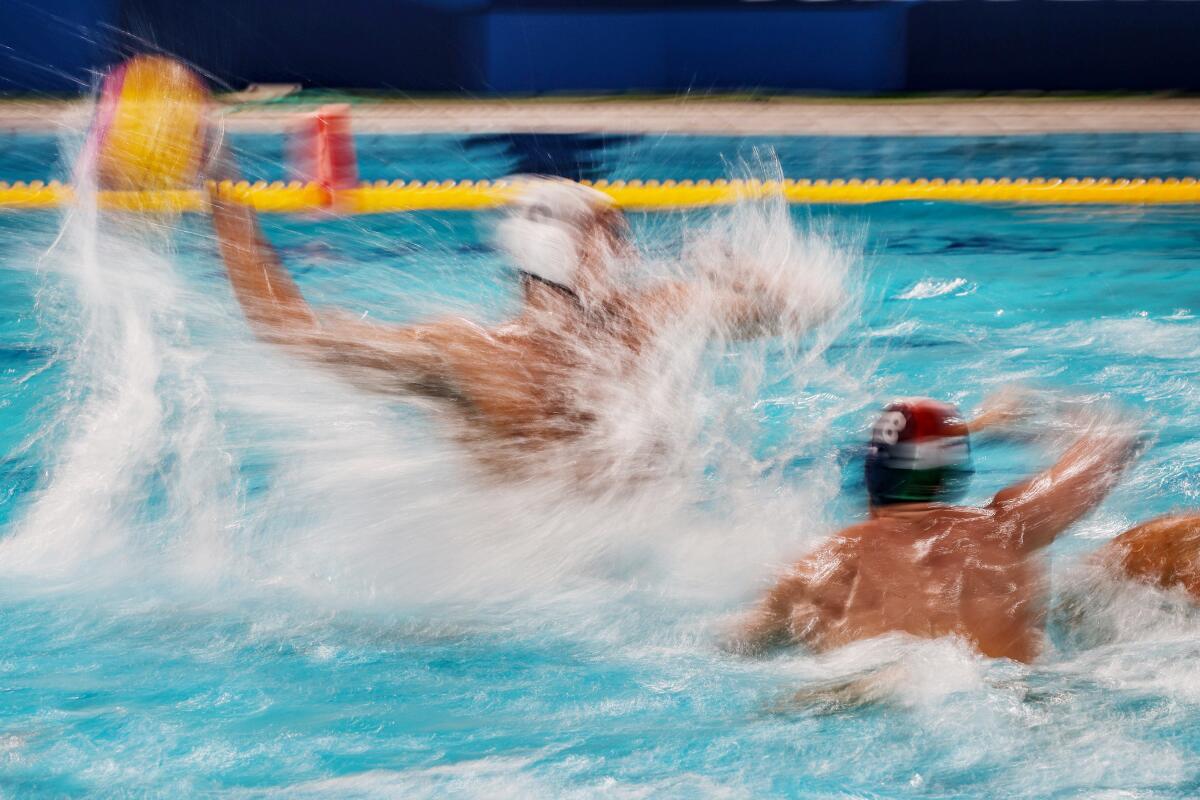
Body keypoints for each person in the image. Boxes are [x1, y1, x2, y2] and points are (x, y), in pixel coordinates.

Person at [207, 160, 830, 480]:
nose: (630, 253)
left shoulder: (653, 314)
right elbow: (290, 332)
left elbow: (798, 309)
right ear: (575, 252)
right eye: (614, 238)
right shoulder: (469, 356)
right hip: (562, 590)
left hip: (564, 591)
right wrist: (223, 196)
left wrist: (747, 278)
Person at [736, 394, 1141, 663]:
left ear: (871, 471)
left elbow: (739, 646)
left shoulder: (816, 571)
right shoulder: (1008, 528)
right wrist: (1018, 413)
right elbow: (1115, 441)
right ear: (950, 473)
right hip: (1015, 703)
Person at [1097, 512, 1200, 599]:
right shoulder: (1190, 534)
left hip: (1108, 573)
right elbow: (1192, 588)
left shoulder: (1190, 530)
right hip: (1105, 582)